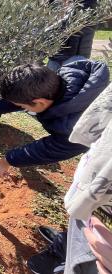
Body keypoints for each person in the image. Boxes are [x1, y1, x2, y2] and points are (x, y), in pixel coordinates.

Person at [28, 79, 112, 274]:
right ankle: (68, 244)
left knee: (96, 257)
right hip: (101, 177)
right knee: (85, 215)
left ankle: (70, 265)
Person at [0, 57, 109, 178]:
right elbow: (23, 100)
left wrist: (8, 159)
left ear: (40, 102)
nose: (24, 108)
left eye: (24, 106)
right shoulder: (65, 79)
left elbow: (49, 149)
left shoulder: (76, 127)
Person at [47, 0, 98, 72]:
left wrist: (46, 29)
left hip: (72, 55)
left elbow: (69, 21)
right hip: (63, 54)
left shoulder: (86, 4)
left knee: (58, 80)